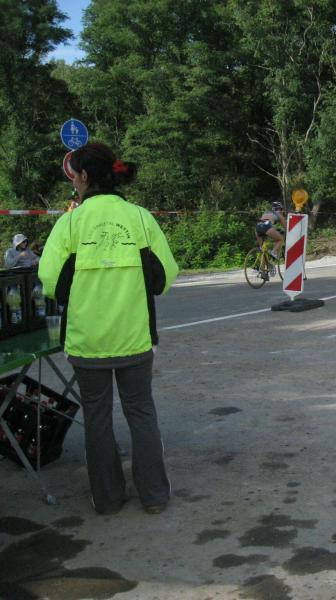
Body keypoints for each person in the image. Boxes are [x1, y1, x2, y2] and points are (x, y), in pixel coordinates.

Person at [38, 142, 179, 515]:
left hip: (87, 343)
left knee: (97, 420)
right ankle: (154, 496)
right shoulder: (140, 218)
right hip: (135, 339)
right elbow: (164, 277)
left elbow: (50, 282)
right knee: (141, 413)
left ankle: (107, 498)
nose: (74, 183)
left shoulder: (70, 223)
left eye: (75, 177)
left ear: (84, 176)